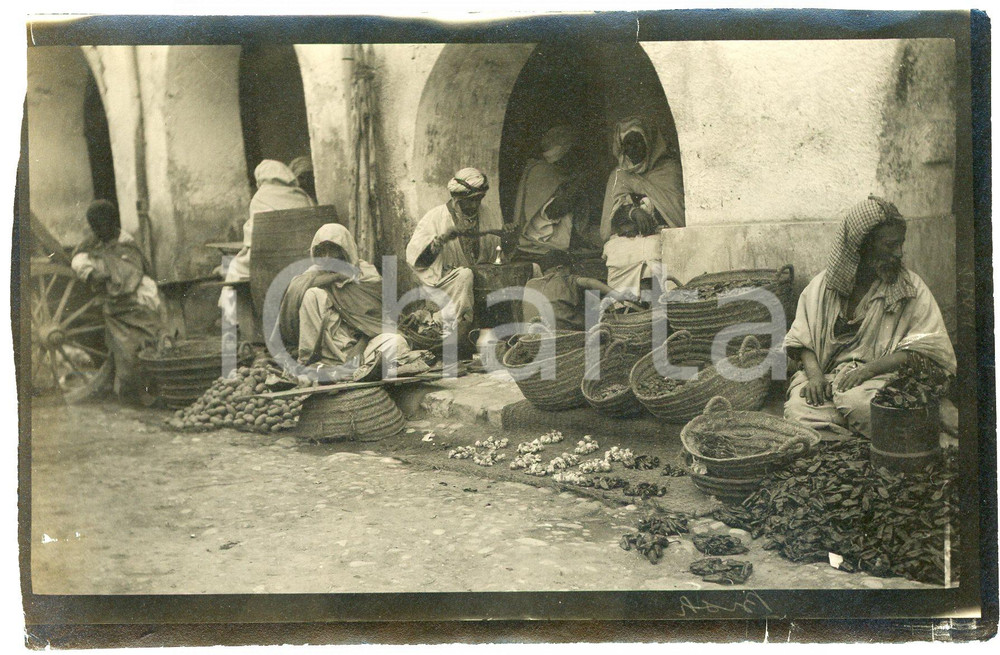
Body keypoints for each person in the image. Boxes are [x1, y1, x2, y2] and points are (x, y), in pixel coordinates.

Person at [783, 196, 957, 438]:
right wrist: (815, 377)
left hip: (881, 379)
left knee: (862, 405)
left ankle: (864, 427)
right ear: (862, 246)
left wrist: (868, 371)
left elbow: (925, 350)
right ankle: (872, 431)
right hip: (827, 377)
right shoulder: (824, 286)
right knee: (798, 411)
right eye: (889, 245)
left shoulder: (909, 288)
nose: (899, 253)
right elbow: (803, 340)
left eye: (900, 244)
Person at [272, 223, 412, 378]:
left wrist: (360, 346)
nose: (326, 258)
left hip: (364, 345)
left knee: (397, 342)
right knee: (312, 295)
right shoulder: (313, 276)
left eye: (332, 251)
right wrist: (336, 277)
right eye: (321, 252)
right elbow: (295, 290)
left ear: (345, 251)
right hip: (330, 351)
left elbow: (380, 322)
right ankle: (321, 368)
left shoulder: (367, 275)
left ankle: (351, 370)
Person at [70, 200, 165, 402]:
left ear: (113, 224)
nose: (99, 232)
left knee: (146, 344)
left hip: (136, 299)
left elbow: (132, 274)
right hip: (115, 305)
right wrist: (91, 274)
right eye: (95, 228)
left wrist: (114, 277)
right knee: (127, 353)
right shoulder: (92, 243)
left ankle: (151, 392)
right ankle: (134, 394)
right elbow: (78, 260)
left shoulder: (126, 244)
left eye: (102, 226)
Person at [405, 167, 511, 336]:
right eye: (470, 200)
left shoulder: (488, 215)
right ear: (457, 198)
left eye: (479, 199)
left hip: (480, 281)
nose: (475, 205)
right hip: (446, 285)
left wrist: (509, 239)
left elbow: (497, 253)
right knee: (465, 275)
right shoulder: (435, 218)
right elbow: (418, 262)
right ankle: (452, 331)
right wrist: (442, 239)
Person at [219, 160, 315, 324]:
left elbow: (253, 237)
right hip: (303, 256)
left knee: (233, 268)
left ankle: (231, 318)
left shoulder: (260, 198)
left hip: (270, 258)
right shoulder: (301, 195)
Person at [600, 116, 685, 243]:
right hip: (631, 240)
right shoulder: (619, 175)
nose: (634, 147)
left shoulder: (669, 170)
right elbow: (611, 218)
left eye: (638, 141)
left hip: (666, 236)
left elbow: (677, 214)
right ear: (622, 148)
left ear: (647, 142)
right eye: (628, 143)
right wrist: (633, 212)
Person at [523, 250, 639, 331]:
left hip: (532, 336)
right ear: (560, 268)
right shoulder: (563, 278)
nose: (571, 272)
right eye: (570, 269)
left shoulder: (530, 283)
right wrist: (616, 294)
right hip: (563, 334)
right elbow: (590, 282)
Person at [512, 126, 577, 259]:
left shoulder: (548, 169)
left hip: (549, 241)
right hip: (540, 242)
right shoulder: (542, 171)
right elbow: (554, 211)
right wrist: (577, 185)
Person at [601, 205, 663, 304]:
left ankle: (647, 302)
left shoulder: (652, 240)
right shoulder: (614, 244)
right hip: (623, 295)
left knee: (647, 270)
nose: (624, 232)